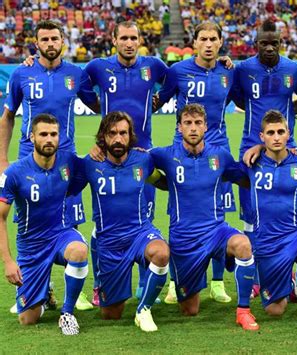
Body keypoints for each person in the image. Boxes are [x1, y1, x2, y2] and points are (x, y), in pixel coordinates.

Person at [0, 19, 99, 312]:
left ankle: (75, 290)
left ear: (63, 41)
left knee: (71, 223)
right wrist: (3, 160)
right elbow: (7, 117)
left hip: (66, 162)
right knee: (30, 223)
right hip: (29, 161)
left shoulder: (75, 74)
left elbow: (98, 106)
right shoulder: (21, 73)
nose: (50, 44)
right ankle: (43, 287)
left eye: (55, 38)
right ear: (36, 43)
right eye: (45, 39)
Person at [149, 103, 259, 331]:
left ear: (206, 127)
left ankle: (244, 311)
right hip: (184, 239)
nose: (193, 128)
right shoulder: (165, 155)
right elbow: (135, 159)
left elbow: (246, 177)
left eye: (198, 123)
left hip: (216, 231)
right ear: (179, 127)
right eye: (187, 123)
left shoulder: (220, 155)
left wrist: (259, 151)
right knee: (190, 310)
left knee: (243, 245)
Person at [84, 20, 169, 305]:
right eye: (124, 38)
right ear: (114, 39)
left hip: (142, 156)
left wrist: (159, 100)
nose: (129, 43)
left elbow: (177, 81)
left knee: (145, 218)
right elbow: (82, 89)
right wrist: (103, 127)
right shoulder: (98, 67)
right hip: (109, 156)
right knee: (103, 223)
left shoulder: (154, 66)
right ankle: (100, 284)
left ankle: (146, 283)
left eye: (134, 38)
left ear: (140, 40)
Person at [156, 22, 236, 304]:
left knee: (218, 216)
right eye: (203, 39)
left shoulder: (228, 71)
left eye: (214, 39)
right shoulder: (178, 71)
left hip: (218, 153)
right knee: (179, 217)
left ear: (220, 41)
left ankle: (216, 282)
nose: (209, 44)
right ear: (195, 42)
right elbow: (158, 100)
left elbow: (244, 99)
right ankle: (174, 281)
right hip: (182, 155)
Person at [69, 111, 170, 332]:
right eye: (112, 133)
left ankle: (144, 310)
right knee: (111, 314)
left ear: (130, 135)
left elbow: (160, 180)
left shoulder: (143, 159)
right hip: (110, 242)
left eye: (123, 133)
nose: (118, 139)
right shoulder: (90, 164)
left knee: (161, 253)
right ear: (103, 137)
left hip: (140, 233)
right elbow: (68, 189)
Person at [231, 19, 297, 297]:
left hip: (288, 149)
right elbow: (238, 100)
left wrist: (288, 113)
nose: (269, 47)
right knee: (253, 216)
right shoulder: (243, 70)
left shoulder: (293, 69)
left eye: (274, 43)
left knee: (294, 212)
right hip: (251, 148)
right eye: (264, 43)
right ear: (256, 45)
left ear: (280, 43)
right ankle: (256, 278)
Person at [0, 114, 89, 335]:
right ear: (32, 137)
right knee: (27, 319)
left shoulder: (69, 161)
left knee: (79, 251)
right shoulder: (14, 173)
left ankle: (67, 313)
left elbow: (93, 165)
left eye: (53, 134)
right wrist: (9, 262)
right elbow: (0, 217)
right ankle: (45, 292)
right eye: (43, 134)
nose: (49, 139)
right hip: (32, 247)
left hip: (61, 235)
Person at [242, 110, 297, 327]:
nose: (276, 137)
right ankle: (289, 283)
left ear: (288, 134)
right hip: (267, 242)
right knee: (275, 311)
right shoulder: (250, 163)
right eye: (270, 133)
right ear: (262, 136)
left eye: (280, 132)